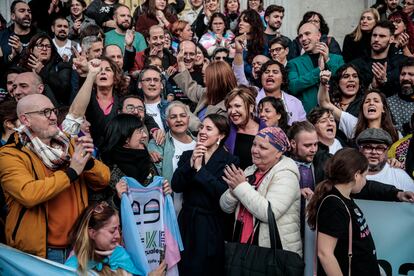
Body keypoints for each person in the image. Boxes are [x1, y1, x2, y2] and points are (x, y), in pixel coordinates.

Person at [0, 94, 110, 262]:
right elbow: (28, 194)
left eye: (53, 110)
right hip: (43, 252)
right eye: (45, 112)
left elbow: (103, 180)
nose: (52, 116)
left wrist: (87, 164)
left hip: (78, 245)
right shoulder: (10, 154)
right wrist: (72, 172)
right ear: (25, 119)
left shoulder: (67, 143)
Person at [171, 114, 239, 275]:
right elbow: (176, 185)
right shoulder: (189, 155)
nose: (202, 131)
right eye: (201, 127)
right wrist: (190, 164)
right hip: (186, 222)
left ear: (220, 135)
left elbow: (222, 193)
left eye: (209, 129)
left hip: (211, 225)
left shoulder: (230, 161)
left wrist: (200, 170)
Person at [220, 126, 302, 255]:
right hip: (244, 248)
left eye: (263, 147)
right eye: (254, 145)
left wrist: (240, 187)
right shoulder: (250, 170)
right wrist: (233, 190)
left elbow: (269, 213)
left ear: (279, 153)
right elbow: (225, 207)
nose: (254, 150)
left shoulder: (286, 175)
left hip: (273, 253)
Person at [307, 148, 380, 276]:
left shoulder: (344, 197)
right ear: (356, 175)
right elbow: (325, 253)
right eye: (364, 176)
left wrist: (398, 194)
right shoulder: (333, 205)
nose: (365, 181)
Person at [65, 202, 166, 275]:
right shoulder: (72, 268)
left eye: (118, 229)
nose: (118, 235)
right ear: (92, 233)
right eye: (112, 231)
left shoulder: (120, 254)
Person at [318, 71, 399, 143]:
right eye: (367, 101)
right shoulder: (354, 125)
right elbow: (325, 103)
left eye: (376, 101)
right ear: (362, 108)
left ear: (383, 109)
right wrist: (323, 84)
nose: (371, 103)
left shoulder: (394, 133)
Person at [148, 101, 196, 214]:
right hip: (168, 209)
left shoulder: (199, 144)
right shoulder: (158, 144)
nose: (179, 120)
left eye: (182, 116)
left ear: (188, 119)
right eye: (173, 117)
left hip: (193, 211)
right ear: (167, 122)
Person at [287, 22, 344, 113]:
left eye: (307, 34)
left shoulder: (337, 59)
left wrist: (328, 61)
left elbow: (343, 81)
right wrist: (318, 70)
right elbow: (293, 87)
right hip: (308, 116)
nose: (303, 39)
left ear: (318, 35)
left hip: (335, 114)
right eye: (300, 36)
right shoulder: (293, 63)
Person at [350, 20, 407, 97]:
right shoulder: (357, 64)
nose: (376, 39)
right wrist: (372, 87)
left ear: (391, 39)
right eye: (374, 35)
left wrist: (385, 82)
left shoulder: (400, 63)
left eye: (382, 36)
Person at [174, 55, 237, 121]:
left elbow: (205, 128)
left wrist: (186, 113)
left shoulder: (228, 108)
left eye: (207, 78)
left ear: (216, 81)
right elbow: (191, 88)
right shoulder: (208, 93)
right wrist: (181, 62)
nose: (204, 81)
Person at [18, 33, 72, 106]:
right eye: (40, 45)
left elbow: (64, 91)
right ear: (31, 50)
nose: (44, 49)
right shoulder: (22, 67)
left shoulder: (61, 66)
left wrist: (42, 71)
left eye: (48, 46)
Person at [257, 60, 307, 125]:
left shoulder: (296, 103)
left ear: (283, 79)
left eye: (275, 72)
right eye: (266, 72)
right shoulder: (253, 100)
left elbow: (303, 129)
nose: (270, 74)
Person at [225, 86, 259, 169]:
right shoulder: (225, 130)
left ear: (251, 107)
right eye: (229, 107)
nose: (232, 111)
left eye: (237, 106)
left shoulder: (266, 132)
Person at [0, 0, 38, 67]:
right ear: (13, 16)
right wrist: (11, 57)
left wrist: (21, 50)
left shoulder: (40, 35)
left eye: (29, 11)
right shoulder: (2, 36)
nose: (27, 14)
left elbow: (47, 63)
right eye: (22, 11)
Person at [234, 9, 266, 81]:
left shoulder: (262, 45)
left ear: (253, 24)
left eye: (245, 21)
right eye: (240, 20)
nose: (240, 23)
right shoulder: (234, 43)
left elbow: (261, 69)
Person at [387, 58, 414, 135]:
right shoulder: (388, 103)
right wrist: (409, 126)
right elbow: (386, 130)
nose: (405, 78)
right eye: (403, 74)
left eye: (411, 74)